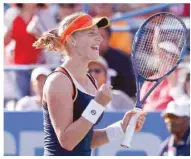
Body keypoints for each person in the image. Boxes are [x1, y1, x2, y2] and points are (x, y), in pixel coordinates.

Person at [33, 12, 146, 156]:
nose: (99, 38)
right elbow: (67, 141)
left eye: (98, 33)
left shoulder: (90, 81)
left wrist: (121, 127)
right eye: (91, 33)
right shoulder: (58, 82)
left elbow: (84, 141)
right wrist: (97, 105)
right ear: (72, 39)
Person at [99, 27, 136, 97]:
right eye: (93, 35)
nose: (97, 40)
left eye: (102, 36)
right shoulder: (81, 58)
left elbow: (129, 89)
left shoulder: (122, 59)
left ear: (109, 38)